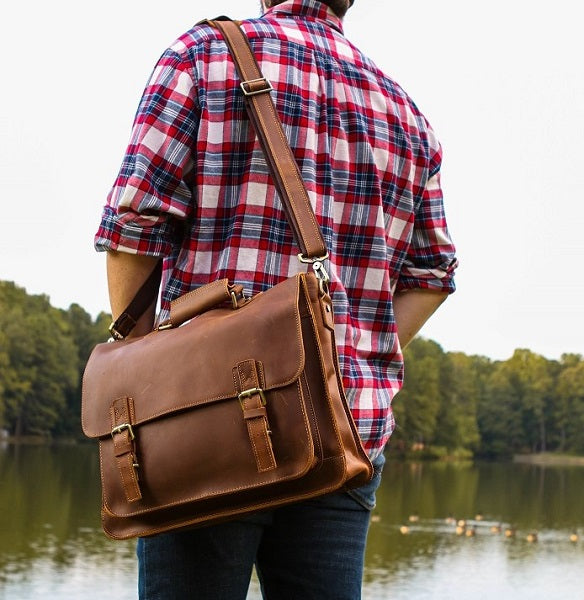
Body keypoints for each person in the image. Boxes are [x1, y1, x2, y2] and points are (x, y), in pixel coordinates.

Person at [94, 0, 457, 597]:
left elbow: (134, 225)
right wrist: (341, 356)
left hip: (204, 422)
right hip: (343, 433)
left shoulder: (202, 57)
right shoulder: (405, 113)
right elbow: (432, 275)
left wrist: (146, 386)